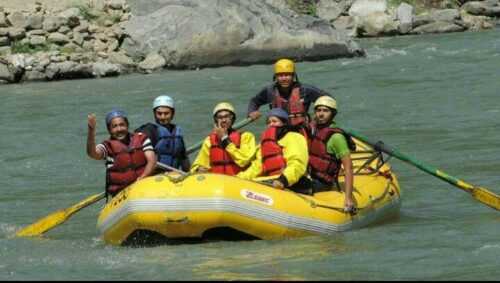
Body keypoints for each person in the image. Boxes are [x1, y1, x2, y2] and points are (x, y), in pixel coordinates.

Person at [87, 110, 157, 198]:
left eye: (122, 125)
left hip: (143, 186)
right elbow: (92, 154)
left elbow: (152, 161)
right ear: (109, 130)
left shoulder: (141, 138)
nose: (119, 129)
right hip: (121, 194)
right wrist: (91, 131)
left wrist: (142, 178)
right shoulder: (107, 146)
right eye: (114, 126)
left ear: (127, 125)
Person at [237, 108, 310, 192]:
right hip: (273, 182)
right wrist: (239, 178)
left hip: (294, 183)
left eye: (274, 121)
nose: (271, 124)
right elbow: (257, 167)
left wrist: (283, 180)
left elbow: (297, 163)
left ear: (284, 123)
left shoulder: (294, 137)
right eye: (269, 122)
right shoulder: (264, 144)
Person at [247, 58, 333, 129]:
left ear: (293, 76)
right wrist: (252, 111)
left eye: (287, 75)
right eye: (280, 75)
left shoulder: (305, 90)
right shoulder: (270, 91)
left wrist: (318, 116)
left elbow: (328, 99)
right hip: (278, 130)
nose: (284, 78)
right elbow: (254, 101)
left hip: (301, 130)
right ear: (275, 77)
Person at [308, 96, 356, 212]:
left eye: (325, 111)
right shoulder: (312, 130)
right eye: (318, 110)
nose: (321, 114)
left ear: (333, 114)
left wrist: (348, 197)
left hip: (323, 183)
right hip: (309, 175)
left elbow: (348, 168)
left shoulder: (337, 138)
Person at [190, 102, 256, 175]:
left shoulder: (246, 137)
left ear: (232, 118)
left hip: (240, 181)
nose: (224, 120)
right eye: (220, 117)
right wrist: (198, 169)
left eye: (227, 116)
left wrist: (225, 139)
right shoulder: (209, 141)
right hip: (217, 182)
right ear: (216, 121)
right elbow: (197, 165)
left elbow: (244, 160)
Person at [135, 95, 190, 172]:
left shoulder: (177, 133)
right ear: (154, 113)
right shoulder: (149, 130)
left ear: (173, 113)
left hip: (173, 174)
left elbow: (183, 158)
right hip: (154, 175)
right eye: (159, 113)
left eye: (166, 113)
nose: (162, 117)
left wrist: (188, 173)